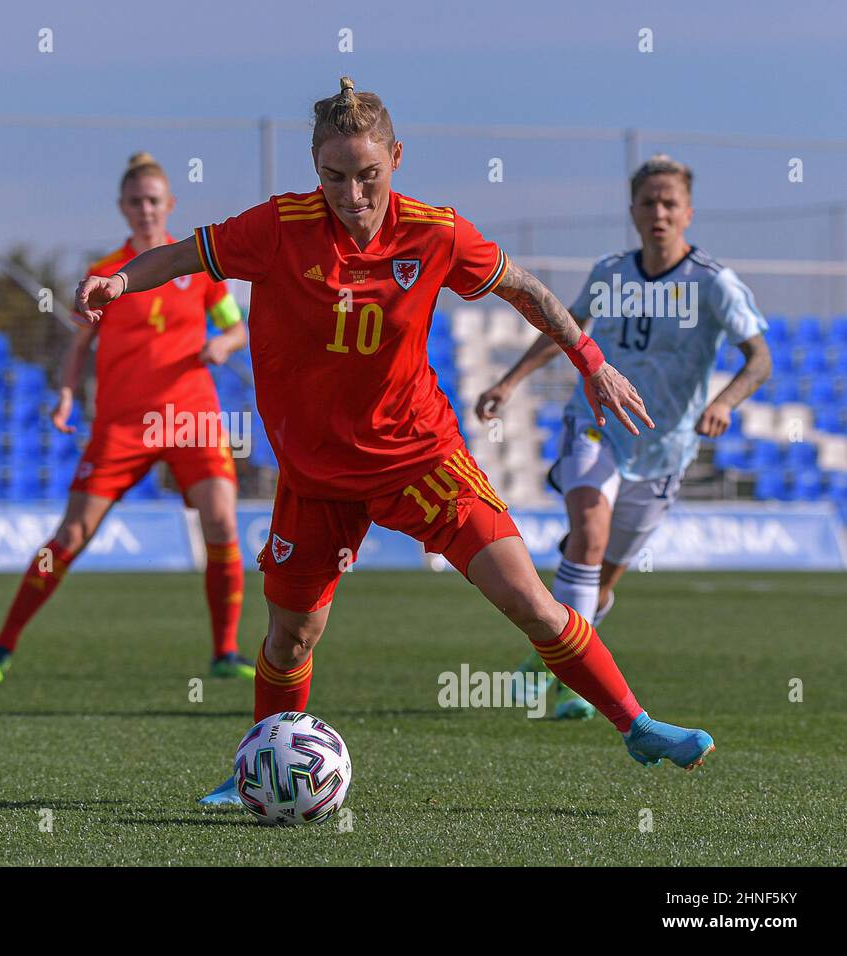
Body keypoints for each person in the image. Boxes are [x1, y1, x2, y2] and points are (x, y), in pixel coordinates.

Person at [76, 80, 716, 804]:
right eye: (334, 176)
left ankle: (634, 723)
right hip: (315, 474)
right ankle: (254, 766)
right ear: (314, 166)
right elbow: (185, 257)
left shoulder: (435, 232)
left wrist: (592, 365)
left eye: (368, 175)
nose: (352, 194)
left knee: (531, 601)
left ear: (397, 158)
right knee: (293, 636)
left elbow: (529, 293)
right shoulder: (280, 226)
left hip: (420, 456)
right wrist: (118, 280)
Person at [476, 155, 771, 719]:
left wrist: (726, 402)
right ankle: (571, 683)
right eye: (648, 202)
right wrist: (510, 380)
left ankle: (552, 654)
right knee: (588, 534)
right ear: (632, 210)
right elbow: (567, 329)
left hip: (664, 449)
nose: (658, 212)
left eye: (669, 203)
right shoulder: (611, 272)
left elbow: (759, 358)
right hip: (597, 424)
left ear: (688, 211)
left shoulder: (714, 284)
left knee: (604, 576)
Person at [0, 153, 252, 683]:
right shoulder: (105, 274)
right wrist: (64, 395)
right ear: (122, 208)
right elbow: (80, 345)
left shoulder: (198, 271)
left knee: (220, 517)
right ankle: (2, 644)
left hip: (191, 417)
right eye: (136, 201)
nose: (145, 209)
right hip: (122, 424)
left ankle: (225, 651)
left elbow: (237, 328)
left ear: (170, 204)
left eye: (154, 200)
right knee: (73, 533)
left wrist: (224, 344)